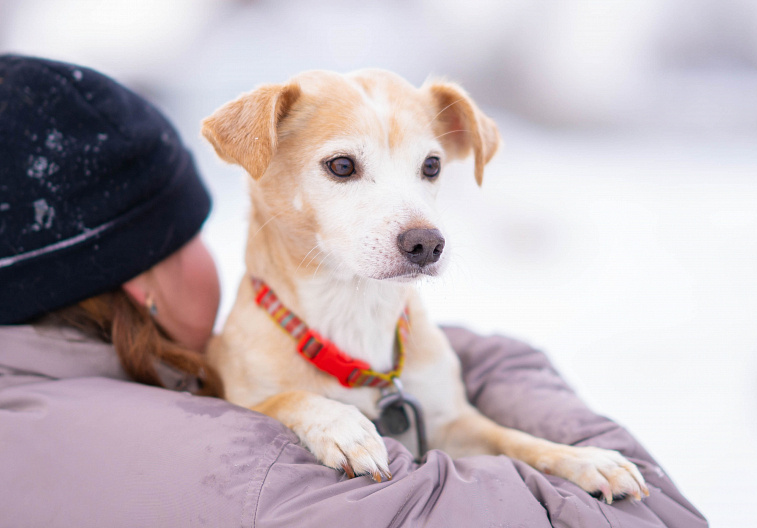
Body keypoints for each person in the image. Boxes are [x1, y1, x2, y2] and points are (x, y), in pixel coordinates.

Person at [0, 55, 708, 527]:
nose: (414, 223)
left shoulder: (86, 388)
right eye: (344, 168)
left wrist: (549, 453)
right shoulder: (224, 433)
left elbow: (457, 426)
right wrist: (306, 410)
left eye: (427, 168)